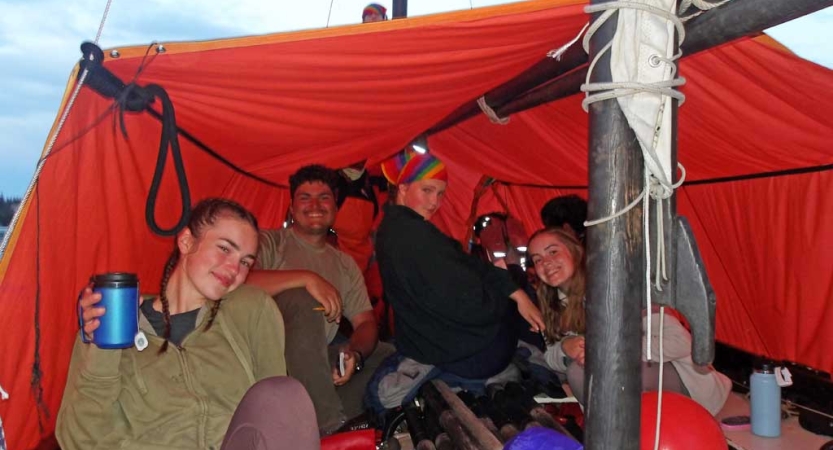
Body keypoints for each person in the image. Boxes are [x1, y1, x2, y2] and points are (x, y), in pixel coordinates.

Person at [57, 198, 320, 450]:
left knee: (285, 393)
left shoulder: (249, 310)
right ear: (185, 241)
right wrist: (104, 347)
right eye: (225, 249)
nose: (233, 269)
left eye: (245, 262)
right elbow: (80, 440)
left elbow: (276, 416)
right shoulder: (113, 327)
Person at [367, 148, 545, 414]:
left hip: (432, 343)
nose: (434, 202)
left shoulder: (399, 228)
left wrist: (512, 291)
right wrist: (510, 294)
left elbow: (468, 265)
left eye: (440, 193)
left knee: (511, 286)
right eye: (426, 190)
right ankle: (544, 352)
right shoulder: (413, 235)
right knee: (514, 292)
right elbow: (469, 304)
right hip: (469, 356)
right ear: (403, 188)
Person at [248, 165, 393, 435]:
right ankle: (330, 428)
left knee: (388, 354)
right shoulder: (269, 242)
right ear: (292, 208)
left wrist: (356, 355)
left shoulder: (344, 263)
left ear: (335, 208)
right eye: (305, 197)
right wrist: (305, 278)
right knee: (301, 299)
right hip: (267, 360)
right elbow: (238, 282)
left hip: (313, 363)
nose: (315, 205)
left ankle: (352, 422)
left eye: (324, 197)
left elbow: (365, 323)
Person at [527, 227, 732, 415]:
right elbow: (550, 356)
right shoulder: (550, 304)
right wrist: (566, 347)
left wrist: (613, 350)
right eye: (537, 260)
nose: (545, 263)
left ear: (574, 251)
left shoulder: (617, 288)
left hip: (686, 386)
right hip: (631, 390)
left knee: (607, 372)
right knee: (577, 371)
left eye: (553, 251)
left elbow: (681, 342)